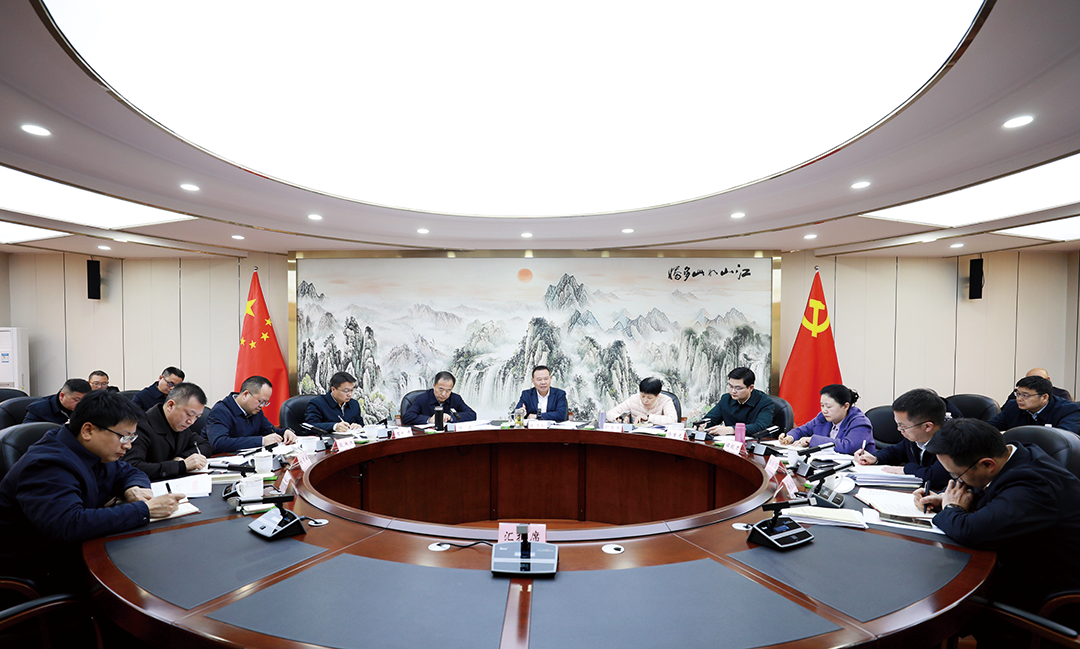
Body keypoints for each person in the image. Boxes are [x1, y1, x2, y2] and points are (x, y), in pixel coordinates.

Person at [0, 390, 185, 594]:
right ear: (88, 430)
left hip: (78, 550)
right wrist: (145, 510)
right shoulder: (47, 464)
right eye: (123, 437)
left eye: (132, 437)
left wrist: (133, 488)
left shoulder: (93, 450)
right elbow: (69, 524)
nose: (128, 445)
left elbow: (130, 471)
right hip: (41, 567)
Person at [914, 419, 1080, 645]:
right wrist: (945, 498)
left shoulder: (1034, 485)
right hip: (1025, 560)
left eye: (957, 476)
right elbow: (995, 496)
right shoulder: (1018, 455)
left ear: (987, 464)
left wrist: (951, 508)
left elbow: (971, 531)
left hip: (1051, 589)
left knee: (933, 597)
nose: (957, 482)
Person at [854, 388, 950, 490]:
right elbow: (895, 452)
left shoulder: (951, 441)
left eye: (903, 426)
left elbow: (934, 477)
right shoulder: (916, 438)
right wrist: (875, 458)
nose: (899, 429)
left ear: (927, 426)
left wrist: (905, 469)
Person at [125, 383, 211, 481]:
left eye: (197, 417)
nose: (191, 422)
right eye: (189, 414)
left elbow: (205, 445)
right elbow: (132, 467)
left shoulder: (180, 425)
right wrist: (180, 466)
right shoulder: (141, 427)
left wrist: (182, 457)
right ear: (170, 405)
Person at [205, 376, 296, 453]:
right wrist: (261, 441)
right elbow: (219, 443)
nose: (262, 406)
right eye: (260, 401)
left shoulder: (255, 411)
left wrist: (285, 432)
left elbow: (269, 431)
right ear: (245, 394)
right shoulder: (220, 411)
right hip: (222, 462)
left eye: (265, 403)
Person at [778, 384, 874, 455]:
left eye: (828, 406)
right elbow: (802, 431)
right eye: (822, 405)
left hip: (856, 470)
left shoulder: (860, 422)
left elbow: (848, 447)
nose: (824, 410)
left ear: (845, 406)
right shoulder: (823, 418)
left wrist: (813, 440)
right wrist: (790, 437)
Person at [697, 367, 775, 436]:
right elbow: (711, 418)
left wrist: (732, 430)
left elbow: (761, 426)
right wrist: (702, 425)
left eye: (738, 388)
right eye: (731, 386)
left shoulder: (765, 402)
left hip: (756, 443)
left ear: (751, 388)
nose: (733, 391)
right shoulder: (726, 399)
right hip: (730, 443)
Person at [988, 375, 1080, 433]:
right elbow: (989, 428)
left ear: (1044, 397)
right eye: (1018, 394)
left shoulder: (1070, 411)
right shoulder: (1013, 406)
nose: (1019, 399)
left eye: (1025, 395)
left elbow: (1062, 440)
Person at [401, 372, 477, 426]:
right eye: (441, 389)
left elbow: (472, 415)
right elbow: (407, 417)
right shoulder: (422, 398)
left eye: (448, 390)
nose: (443, 394)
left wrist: (451, 417)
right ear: (434, 386)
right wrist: (429, 419)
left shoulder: (455, 398)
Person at [606, 377, 678, 425]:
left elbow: (673, 420)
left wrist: (648, 418)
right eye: (642, 396)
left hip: (658, 438)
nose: (645, 400)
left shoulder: (666, 400)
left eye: (649, 398)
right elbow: (610, 413)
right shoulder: (634, 399)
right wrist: (618, 418)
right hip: (636, 437)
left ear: (657, 395)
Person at [24, 378, 92, 424]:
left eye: (85, 400)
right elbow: (27, 433)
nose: (81, 404)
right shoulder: (38, 409)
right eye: (76, 400)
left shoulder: (90, 406)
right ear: (62, 396)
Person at [1003, 367, 1072, 404]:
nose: (1020, 399)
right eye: (1029, 380)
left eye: (1025, 395)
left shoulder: (1061, 394)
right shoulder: (1017, 394)